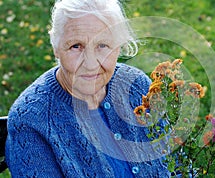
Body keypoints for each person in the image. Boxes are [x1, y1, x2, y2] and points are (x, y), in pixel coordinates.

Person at [5, 0, 170, 177]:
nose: (91, 64)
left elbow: (177, 164)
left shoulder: (137, 86)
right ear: (56, 47)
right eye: (76, 46)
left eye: (102, 46)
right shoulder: (31, 119)